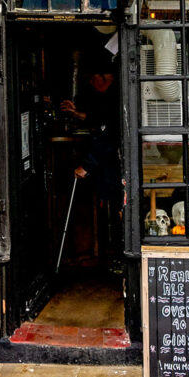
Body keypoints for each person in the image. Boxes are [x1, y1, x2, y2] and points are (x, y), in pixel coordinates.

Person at [59, 53, 122, 262]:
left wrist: (86, 166)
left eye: (93, 77)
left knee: (114, 210)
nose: (90, 82)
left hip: (114, 166)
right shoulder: (108, 97)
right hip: (109, 165)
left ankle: (114, 257)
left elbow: (106, 136)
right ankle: (110, 256)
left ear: (104, 78)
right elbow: (99, 119)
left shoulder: (116, 97)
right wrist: (77, 114)